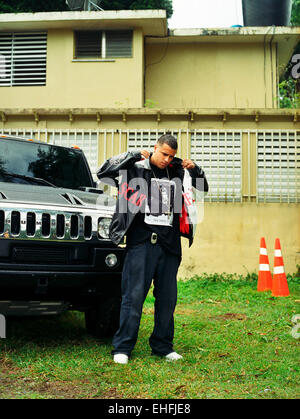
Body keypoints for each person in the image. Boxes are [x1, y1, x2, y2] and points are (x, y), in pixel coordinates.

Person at [97, 134, 208, 364]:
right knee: (133, 297)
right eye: (164, 154)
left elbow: (202, 188)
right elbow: (104, 172)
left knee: (167, 299)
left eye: (171, 156)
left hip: (169, 245)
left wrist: (196, 169)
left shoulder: (178, 171)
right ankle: (123, 348)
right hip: (141, 243)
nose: (167, 159)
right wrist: (131, 155)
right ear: (155, 148)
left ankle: (163, 346)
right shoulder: (135, 168)